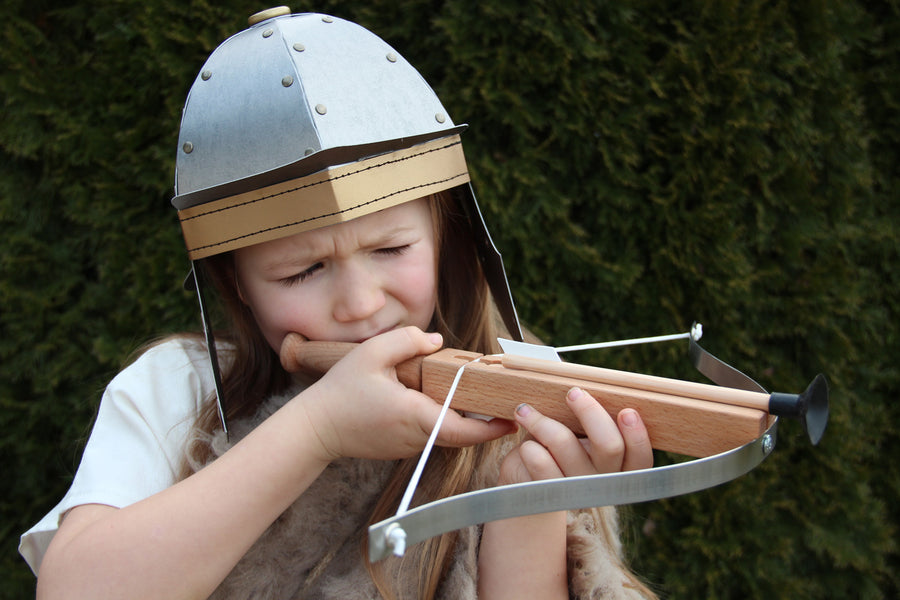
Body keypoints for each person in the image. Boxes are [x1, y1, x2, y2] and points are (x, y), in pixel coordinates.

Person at [20, 8, 657, 599]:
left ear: (444, 238)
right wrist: (318, 429)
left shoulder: (524, 401)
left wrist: (529, 497)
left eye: (390, 249)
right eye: (302, 271)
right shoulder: (177, 392)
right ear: (238, 283)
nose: (358, 305)